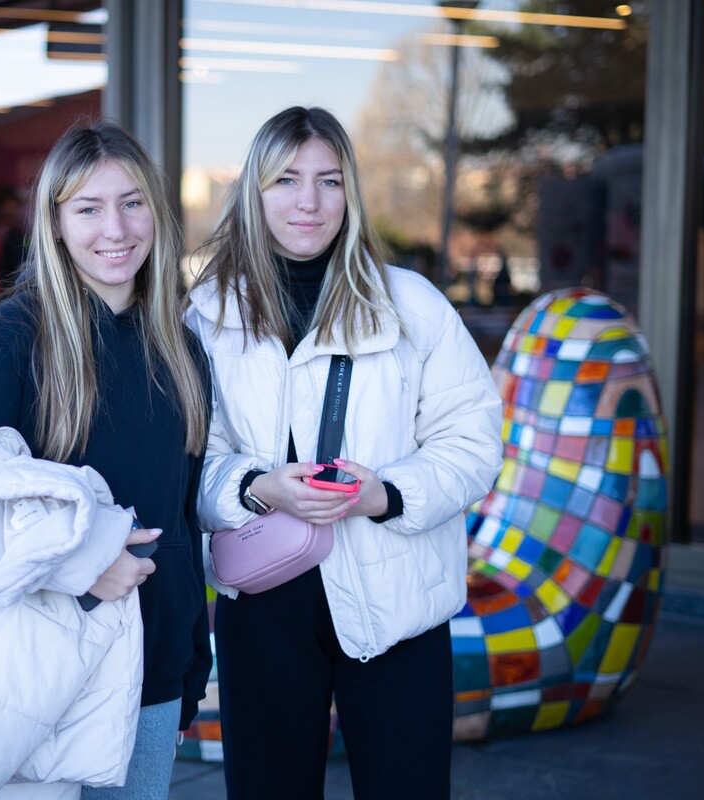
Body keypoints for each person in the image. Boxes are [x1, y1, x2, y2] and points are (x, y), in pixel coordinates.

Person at [185, 106, 503, 799]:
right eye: (287, 181)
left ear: (349, 193)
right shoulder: (206, 314)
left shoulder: (410, 306)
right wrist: (259, 488)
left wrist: (383, 495)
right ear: (254, 192)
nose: (309, 201)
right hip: (264, 605)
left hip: (398, 606)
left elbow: (473, 441)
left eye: (329, 181)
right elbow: (192, 459)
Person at [0, 119, 212, 799]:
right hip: (31, 666)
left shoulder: (181, 350)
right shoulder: (10, 338)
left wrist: (189, 671)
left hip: (150, 678)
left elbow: (181, 523)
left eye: (133, 202)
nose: (115, 228)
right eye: (88, 208)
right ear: (55, 223)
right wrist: (84, 569)